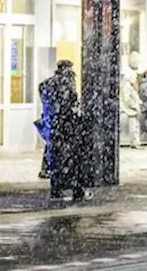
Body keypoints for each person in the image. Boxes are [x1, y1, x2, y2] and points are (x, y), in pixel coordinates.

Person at [45, 61, 88, 201]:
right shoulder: (66, 82)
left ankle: (57, 189)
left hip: (57, 126)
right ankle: (77, 189)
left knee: (58, 159)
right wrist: (73, 112)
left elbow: (46, 94)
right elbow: (67, 103)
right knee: (73, 160)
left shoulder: (51, 82)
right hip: (67, 127)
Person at [120, 73, 141, 149]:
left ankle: (136, 142)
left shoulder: (131, 87)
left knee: (136, 126)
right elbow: (127, 99)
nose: (135, 80)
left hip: (134, 109)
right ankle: (134, 143)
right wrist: (134, 105)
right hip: (131, 110)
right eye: (134, 78)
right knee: (133, 127)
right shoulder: (127, 87)